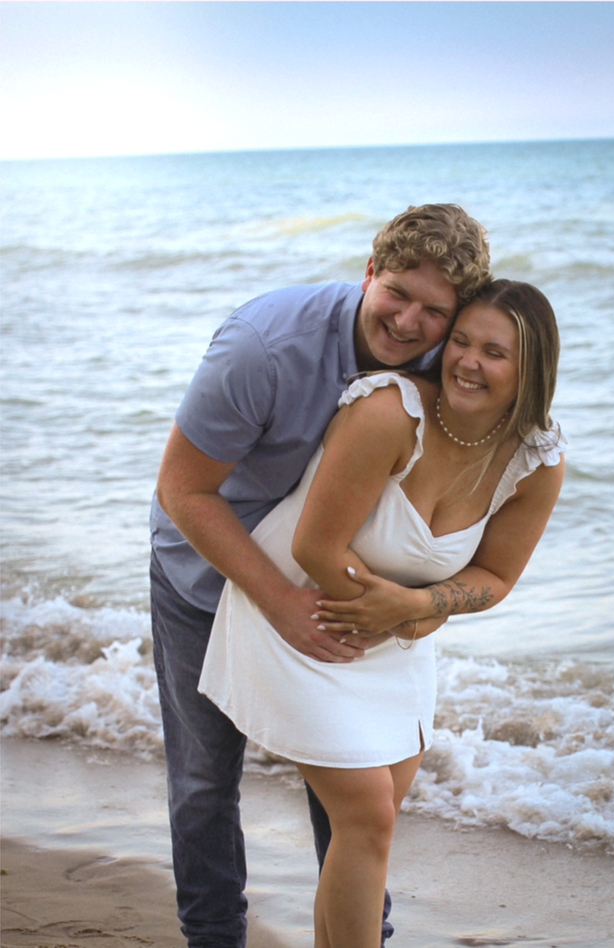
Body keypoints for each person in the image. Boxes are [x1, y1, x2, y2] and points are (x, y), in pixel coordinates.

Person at [151, 204, 491, 948]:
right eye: (397, 292)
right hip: (208, 581)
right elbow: (181, 490)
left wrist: (426, 601)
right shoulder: (265, 347)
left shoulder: (443, 362)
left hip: (338, 589)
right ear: (368, 272)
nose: (408, 323)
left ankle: (369, 934)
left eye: (435, 311)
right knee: (205, 784)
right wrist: (277, 600)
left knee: (351, 779)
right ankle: (213, 940)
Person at [198, 279, 565, 948]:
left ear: (531, 369)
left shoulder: (536, 460)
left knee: (369, 825)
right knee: (368, 815)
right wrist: (392, 610)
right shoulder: (390, 413)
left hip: (394, 632)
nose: (467, 362)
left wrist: (418, 607)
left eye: (494, 352)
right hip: (297, 605)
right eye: (460, 341)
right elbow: (314, 545)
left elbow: (496, 576)